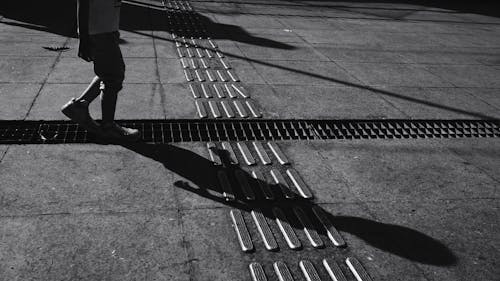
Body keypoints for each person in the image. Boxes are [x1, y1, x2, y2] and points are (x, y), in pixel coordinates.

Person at [61, 0, 140, 141]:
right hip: (99, 30)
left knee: (109, 73)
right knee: (112, 76)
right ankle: (108, 127)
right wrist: (83, 38)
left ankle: (79, 106)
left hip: (107, 27)